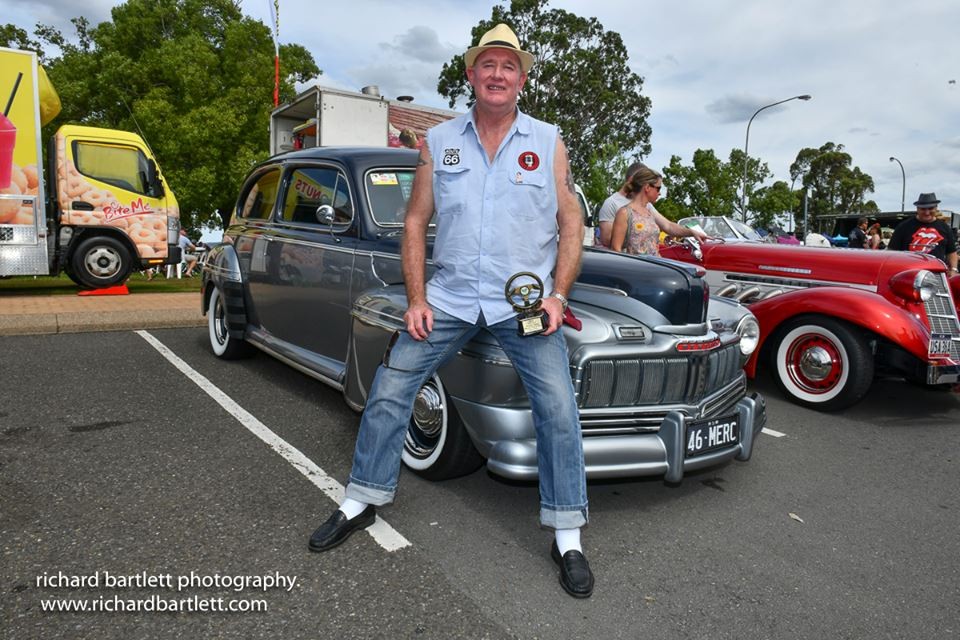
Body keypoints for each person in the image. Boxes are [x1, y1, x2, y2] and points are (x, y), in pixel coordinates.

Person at [307, 23, 595, 598]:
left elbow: (571, 223)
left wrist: (558, 296)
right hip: (453, 297)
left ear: (522, 78)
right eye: (487, 64)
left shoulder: (549, 141)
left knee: (559, 407)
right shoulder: (439, 143)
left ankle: (568, 535)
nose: (497, 75)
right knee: (391, 386)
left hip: (524, 305)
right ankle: (362, 498)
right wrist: (416, 299)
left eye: (508, 66)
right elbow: (415, 221)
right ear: (471, 74)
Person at [610, 166, 708, 254]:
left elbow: (669, 226)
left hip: (655, 267)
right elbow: (616, 249)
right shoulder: (624, 213)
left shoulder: (649, 212)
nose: (660, 193)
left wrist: (691, 232)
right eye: (658, 188)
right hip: (635, 270)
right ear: (647, 187)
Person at [887, 192, 958, 275]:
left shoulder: (944, 227)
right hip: (909, 275)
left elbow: (951, 252)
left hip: (937, 275)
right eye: (923, 209)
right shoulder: (903, 227)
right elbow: (891, 251)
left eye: (930, 208)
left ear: (936, 208)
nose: (927, 212)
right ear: (917, 209)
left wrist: (953, 269)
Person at [595, 162, 645, 248]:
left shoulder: (645, 204)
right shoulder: (611, 203)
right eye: (643, 182)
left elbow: (667, 225)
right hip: (620, 258)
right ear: (631, 180)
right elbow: (607, 239)